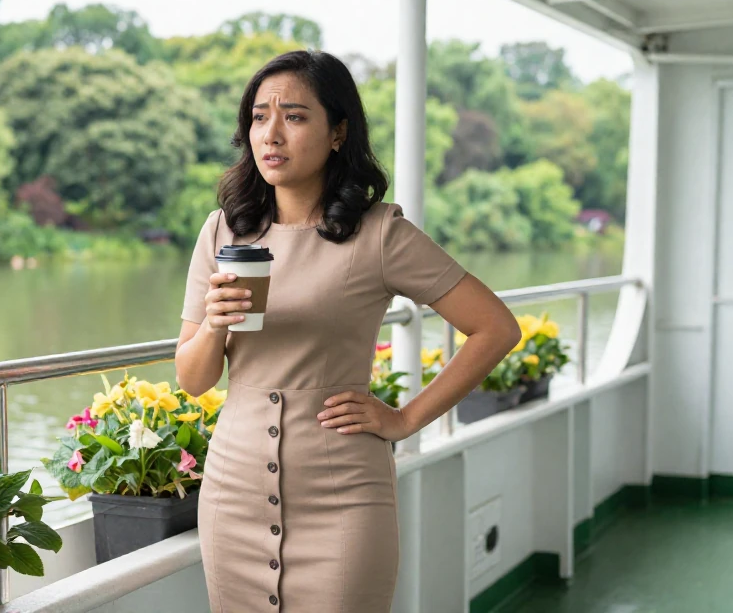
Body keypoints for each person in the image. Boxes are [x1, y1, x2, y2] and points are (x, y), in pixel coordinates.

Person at [174, 50, 521, 612]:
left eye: (295, 115)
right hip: (232, 496)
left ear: (338, 132)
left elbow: (495, 328)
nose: (272, 133)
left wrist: (405, 418)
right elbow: (192, 379)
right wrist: (214, 325)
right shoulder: (222, 231)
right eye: (260, 116)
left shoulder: (380, 233)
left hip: (342, 499)